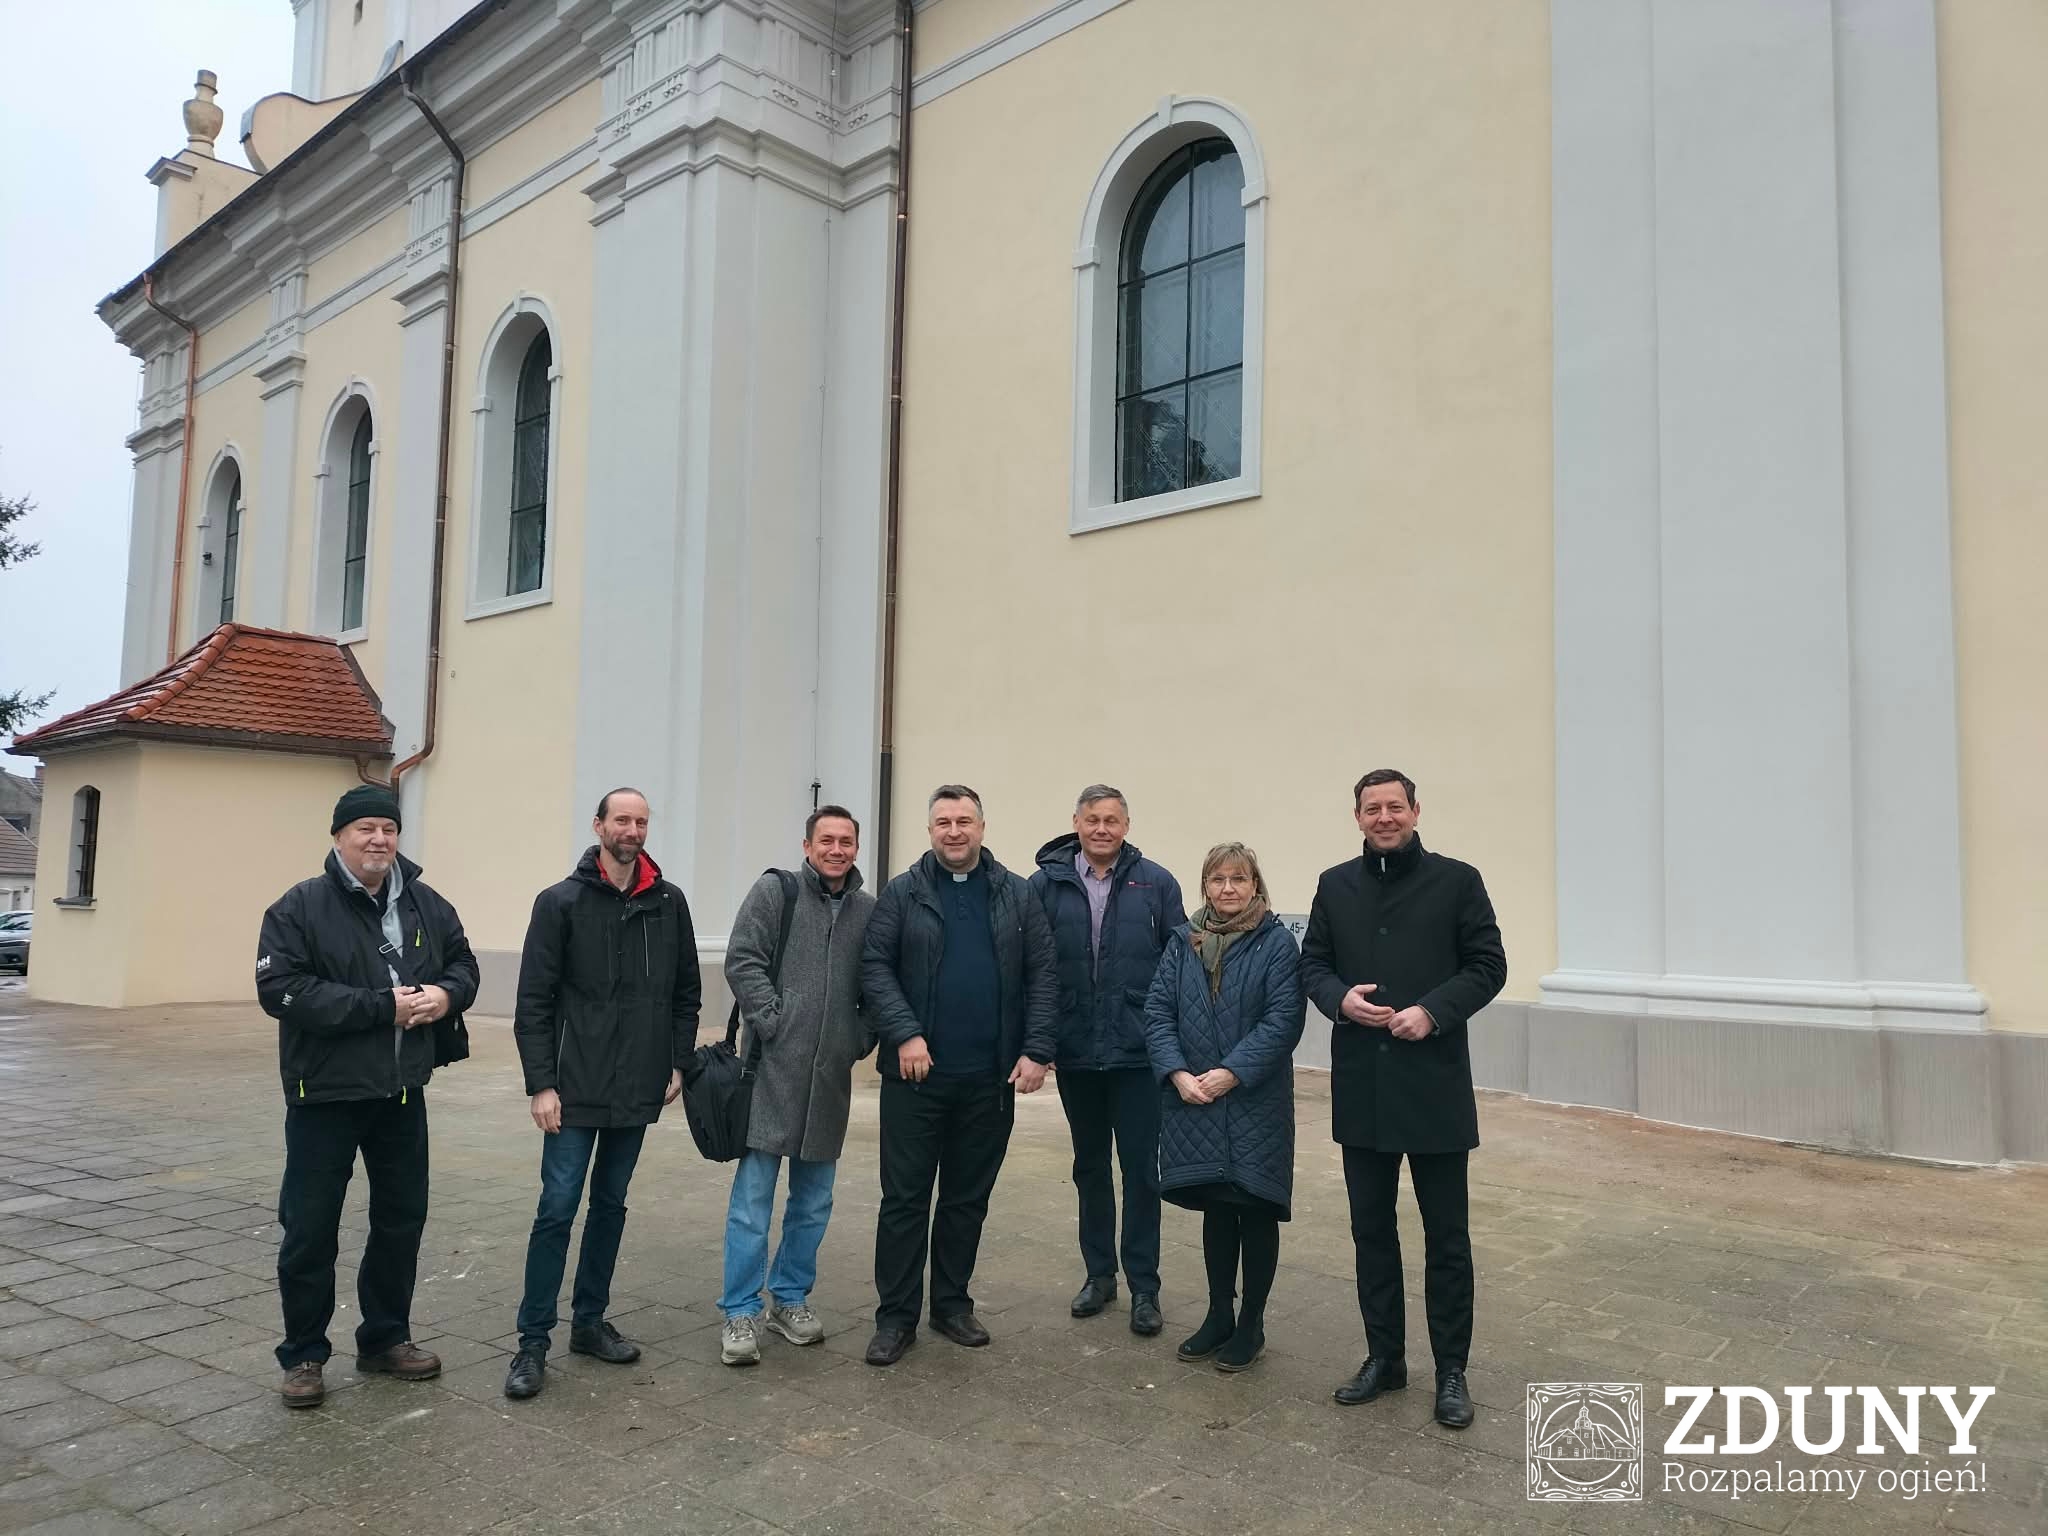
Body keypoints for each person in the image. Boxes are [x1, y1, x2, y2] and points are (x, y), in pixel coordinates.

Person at [256, 783, 479, 1409]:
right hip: (323, 1094)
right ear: (339, 837)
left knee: (401, 1220)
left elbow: (464, 965)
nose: (378, 840)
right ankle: (303, 1353)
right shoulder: (298, 907)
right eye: (365, 829)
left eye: (388, 828)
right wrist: (382, 1008)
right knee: (309, 1227)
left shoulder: (428, 904)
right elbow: (281, 990)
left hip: (401, 1091)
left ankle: (385, 1338)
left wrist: (446, 996)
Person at [1301, 768, 1506, 1429]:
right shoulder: (1335, 884)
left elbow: (1488, 965)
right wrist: (1339, 1000)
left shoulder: (1458, 881)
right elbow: (1313, 964)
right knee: (1371, 1233)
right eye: (1372, 809)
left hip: (1434, 1086)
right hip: (1363, 1086)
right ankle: (1384, 1359)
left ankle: (1451, 1372)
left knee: (1446, 1238)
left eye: (1395, 806)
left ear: (1416, 811)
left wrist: (1433, 1011)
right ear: (1357, 818)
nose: (1384, 818)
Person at [503, 788, 702, 1399]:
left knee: (611, 1206)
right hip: (574, 1087)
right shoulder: (559, 903)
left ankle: (589, 1322)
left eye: (641, 821)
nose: (632, 830)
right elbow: (533, 1003)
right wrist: (541, 1083)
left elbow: (686, 993)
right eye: (621, 819)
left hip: (638, 1086)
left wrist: (678, 1062)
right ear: (598, 825)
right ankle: (532, 1343)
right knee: (557, 1210)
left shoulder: (668, 902)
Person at [859, 784, 1057, 1365]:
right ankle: (895, 1319)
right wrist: (905, 1033)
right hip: (915, 1078)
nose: (954, 831)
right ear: (929, 831)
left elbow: (1044, 974)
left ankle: (951, 1305)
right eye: (943, 822)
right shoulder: (902, 893)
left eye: (964, 821)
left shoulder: (1017, 894)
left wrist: (1036, 1049)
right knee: (904, 1200)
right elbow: (875, 967)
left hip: (990, 1080)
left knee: (967, 1199)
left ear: (981, 828)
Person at [716, 805, 877, 1366]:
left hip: (830, 1079)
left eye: (846, 841)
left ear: (856, 848)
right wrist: (773, 1019)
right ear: (807, 846)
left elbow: (878, 979)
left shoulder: (867, 910)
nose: (836, 849)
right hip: (770, 1072)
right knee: (752, 1201)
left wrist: (858, 1038)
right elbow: (742, 959)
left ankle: (789, 1298)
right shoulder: (775, 892)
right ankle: (740, 1309)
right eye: (826, 840)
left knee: (814, 1202)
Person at [1143, 842, 1304, 1373]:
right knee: (1216, 1206)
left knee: (1254, 1206)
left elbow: (1283, 1020)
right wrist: (1176, 1073)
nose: (1228, 888)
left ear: (1255, 885)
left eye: (1239, 879)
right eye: (1218, 879)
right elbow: (1158, 1012)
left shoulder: (1276, 943)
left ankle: (1251, 1324)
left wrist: (1231, 1072)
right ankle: (1218, 1315)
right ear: (1205, 886)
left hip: (1254, 1099)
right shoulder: (1181, 942)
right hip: (1194, 1095)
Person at [1030, 785, 1185, 1336]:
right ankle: (1099, 1276)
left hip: (1138, 1055)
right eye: (1092, 819)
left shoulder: (1157, 883)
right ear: (1076, 822)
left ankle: (1145, 1286)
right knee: (1090, 1167)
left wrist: (1171, 1044)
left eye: (1112, 820)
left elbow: (1178, 968)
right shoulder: (1045, 885)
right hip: (1076, 1050)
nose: (1102, 829)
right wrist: (1039, 1043)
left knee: (1142, 1172)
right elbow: (1032, 968)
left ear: (1126, 825)